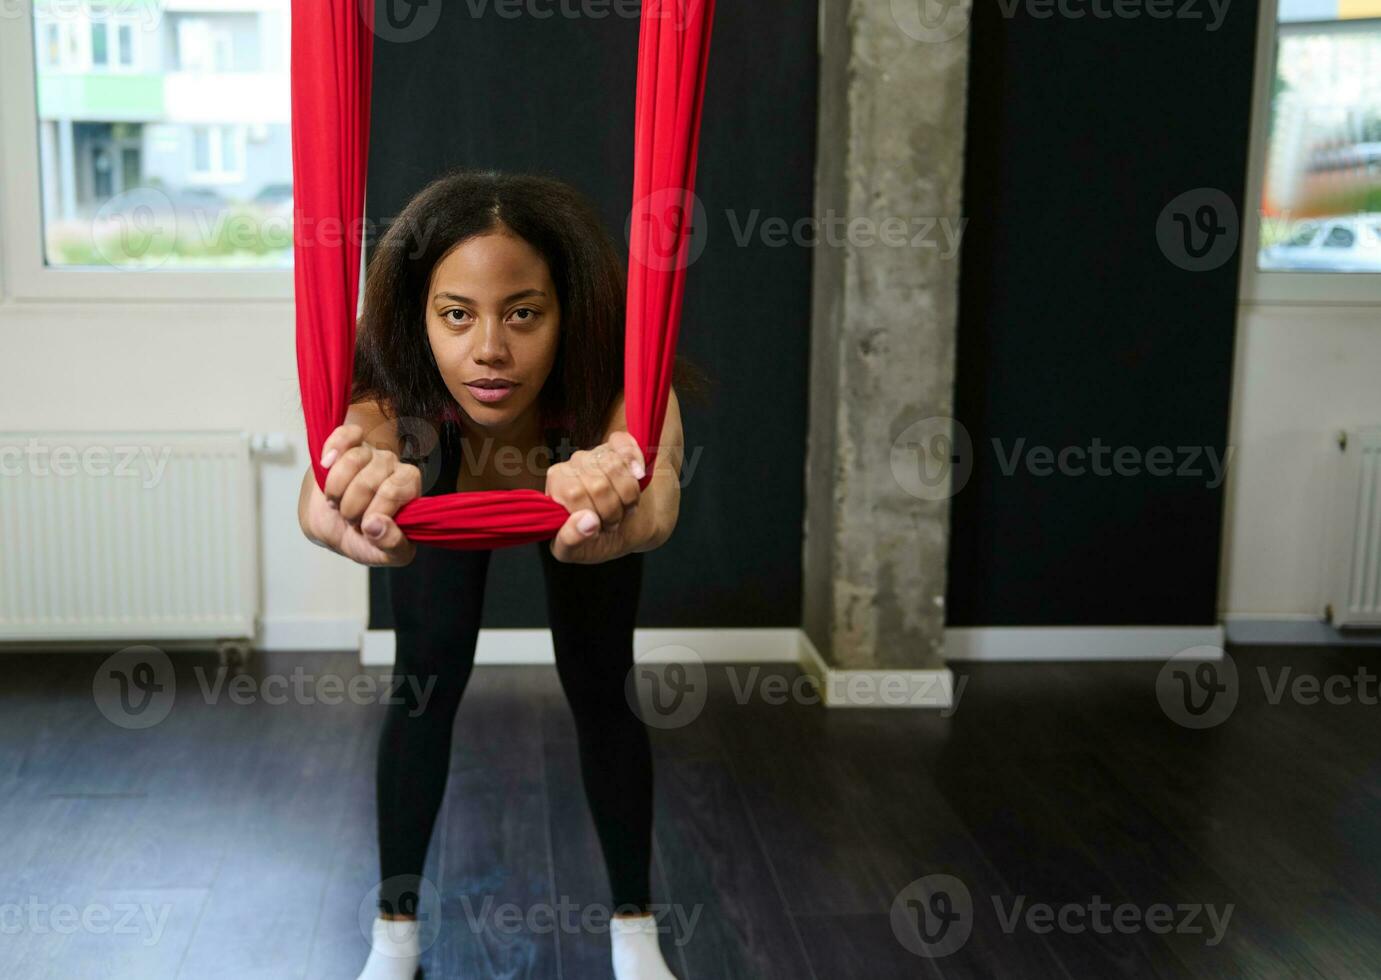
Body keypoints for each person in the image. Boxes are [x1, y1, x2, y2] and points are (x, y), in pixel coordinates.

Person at [296, 169, 706, 980]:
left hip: (580, 496)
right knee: (426, 678)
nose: (489, 348)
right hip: (437, 496)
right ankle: (394, 937)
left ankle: (634, 930)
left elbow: (656, 507)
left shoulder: (615, 370)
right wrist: (350, 502)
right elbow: (318, 497)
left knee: (601, 683)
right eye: (457, 314)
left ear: (565, 312)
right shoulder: (386, 375)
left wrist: (617, 502)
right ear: (421, 316)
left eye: (522, 313)